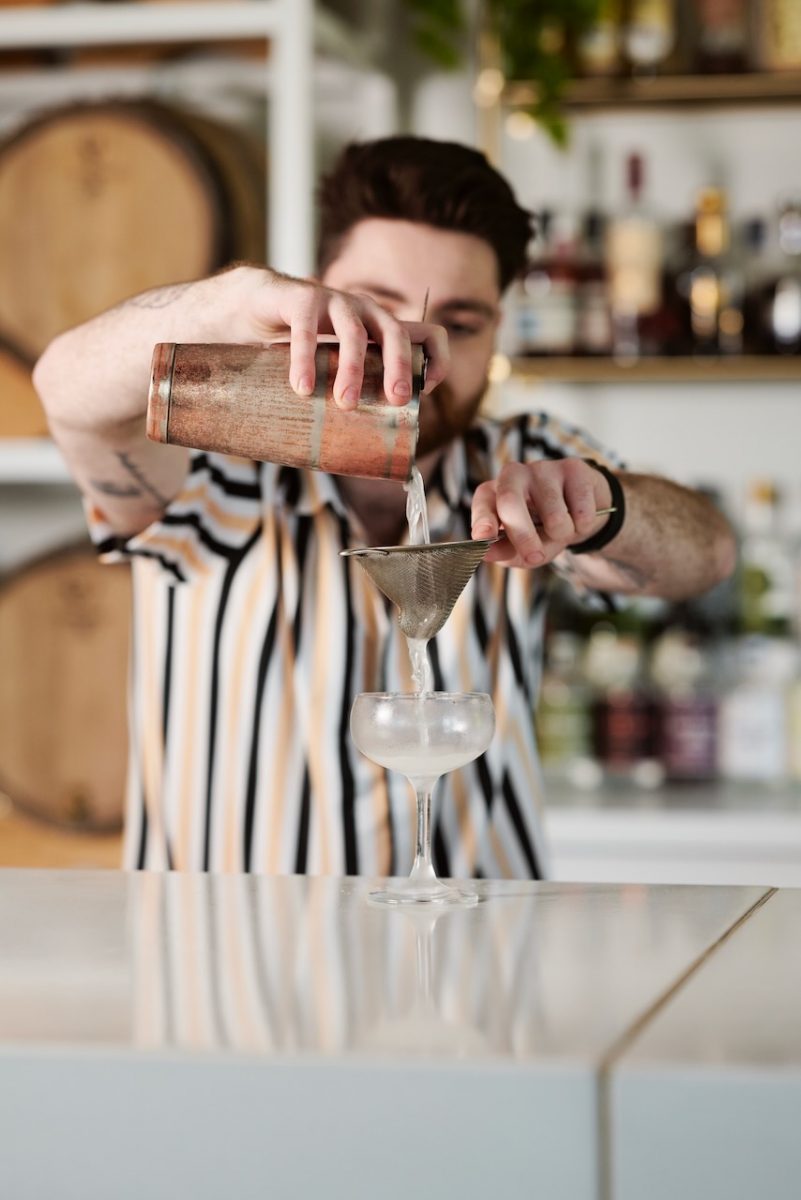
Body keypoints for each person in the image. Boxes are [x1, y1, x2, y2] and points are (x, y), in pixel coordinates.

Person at [34, 137, 735, 878]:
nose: (412, 355)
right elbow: (66, 395)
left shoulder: (523, 454)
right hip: (225, 973)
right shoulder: (218, 460)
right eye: (373, 310)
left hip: (475, 972)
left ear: (499, 331)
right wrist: (221, 303)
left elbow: (705, 554)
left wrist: (603, 508)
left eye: (460, 326)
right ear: (310, 301)